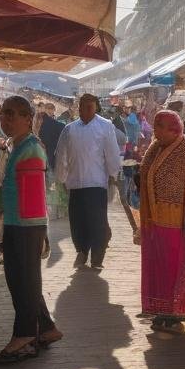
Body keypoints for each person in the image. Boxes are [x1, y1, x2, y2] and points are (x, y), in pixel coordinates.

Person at [0, 96, 61, 364]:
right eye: (3, 115)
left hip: (25, 224)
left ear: (28, 119)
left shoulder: (30, 149)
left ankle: (25, 337)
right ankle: (46, 328)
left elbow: (27, 198)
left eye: (12, 115)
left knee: (22, 281)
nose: (6, 120)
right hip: (19, 223)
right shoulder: (17, 145)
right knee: (24, 280)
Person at [136, 110, 185, 334]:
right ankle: (159, 309)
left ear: (174, 129)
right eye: (155, 126)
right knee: (157, 266)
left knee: (172, 266)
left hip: (177, 221)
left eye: (160, 126)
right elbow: (146, 173)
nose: (155, 131)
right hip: (155, 219)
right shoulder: (155, 148)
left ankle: (175, 312)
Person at [55, 93, 122, 270]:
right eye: (82, 107)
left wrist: (114, 173)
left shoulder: (105, 127)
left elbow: (112, 153)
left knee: (97, 221)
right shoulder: (69, 129)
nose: (85, 111)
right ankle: (81, 251)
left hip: (96, 183)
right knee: (77, 221)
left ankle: (97, 257)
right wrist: (61, 177)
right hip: (75, 183)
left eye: (89, 107)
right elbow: (61, 154)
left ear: (96, 108)